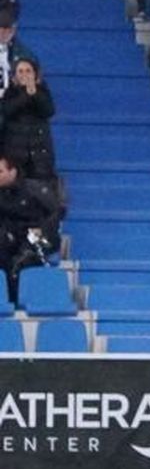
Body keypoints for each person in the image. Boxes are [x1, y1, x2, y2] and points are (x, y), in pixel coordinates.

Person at [0, 153, 57, 305]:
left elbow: (55, 212)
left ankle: (24, 301)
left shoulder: (33, 190)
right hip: (10, 236)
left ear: (13, 171)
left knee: (23, 258)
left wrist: (42, 230)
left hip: (36, 235)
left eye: (0, 172)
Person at [0, 58, 54, 181]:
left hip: (39, 155)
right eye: (20, 71)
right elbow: (8, 111)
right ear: (14, 76)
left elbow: (49, 111)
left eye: (28, 71)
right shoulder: (10, 94)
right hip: (15, 156)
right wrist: (26, 94)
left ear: (35, 74)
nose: (25, 75)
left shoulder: (42, 92)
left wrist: (35, 93)